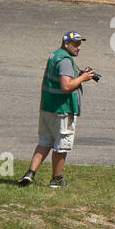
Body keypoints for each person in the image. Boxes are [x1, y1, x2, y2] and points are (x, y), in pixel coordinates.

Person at [17, 31, 96, 188]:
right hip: (62, 110)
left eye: (80, 44)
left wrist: (78, 74)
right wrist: (83, 78)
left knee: (44, 142)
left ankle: (30, 174)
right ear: (66, 44)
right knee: (62, 146)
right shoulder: (66, 60)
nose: (79, 48)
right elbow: (66, 86)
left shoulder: (56, 55)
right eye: (76, 44)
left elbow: (60, 76)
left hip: (47, 107)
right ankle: (57, 179)